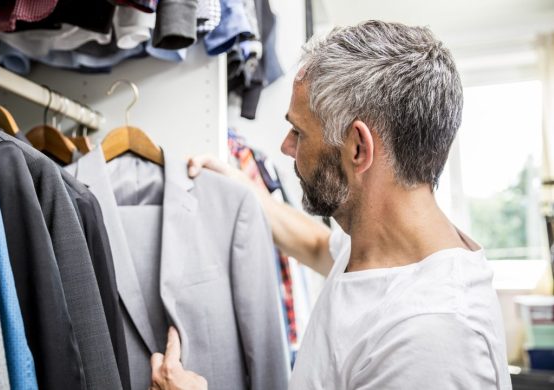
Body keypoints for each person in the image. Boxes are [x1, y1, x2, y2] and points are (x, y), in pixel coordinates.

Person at [150, 20, 512, 390]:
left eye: (300, 132)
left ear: (358, 147)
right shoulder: (379, 244)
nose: (286, 147)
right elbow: (318, 245)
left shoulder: (434, 338)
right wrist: (247, 191)